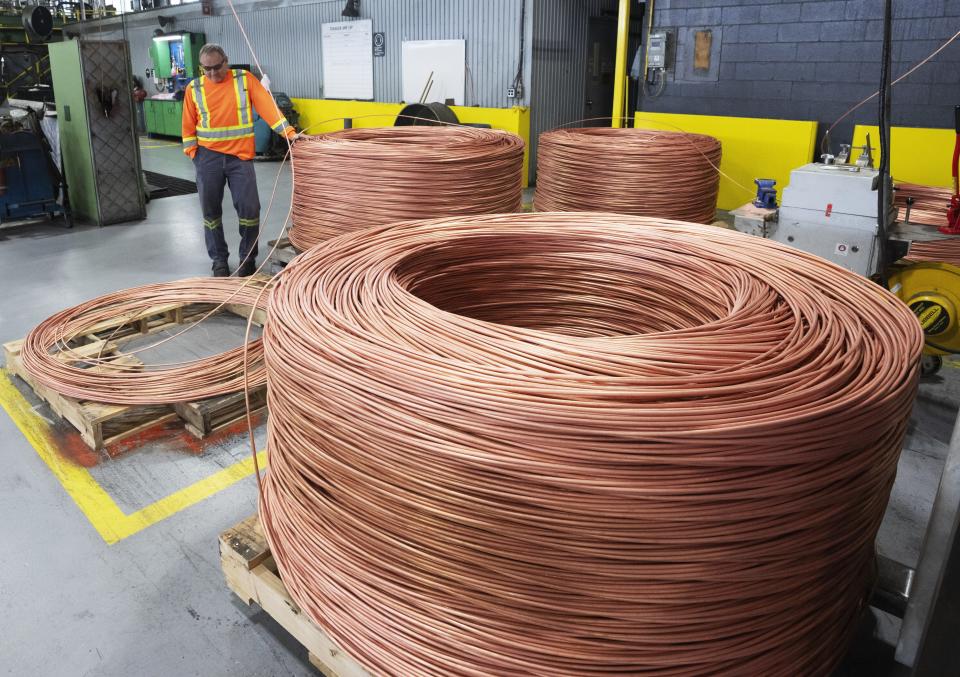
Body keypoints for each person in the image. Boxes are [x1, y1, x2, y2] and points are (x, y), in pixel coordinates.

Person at [181, 44, 296, 276]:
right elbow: (187, 125)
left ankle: (247, 259)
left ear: (226, 60)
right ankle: (219, 260)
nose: (213, 74)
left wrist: (291, 134)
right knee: (210, 213)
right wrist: (194, 154)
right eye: (206, 69)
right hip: (207, 158)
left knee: (250, 209)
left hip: (239, 159)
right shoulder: (194, 88)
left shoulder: (244, 80)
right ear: (201, 68)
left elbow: (268, 109)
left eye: (217, 67)